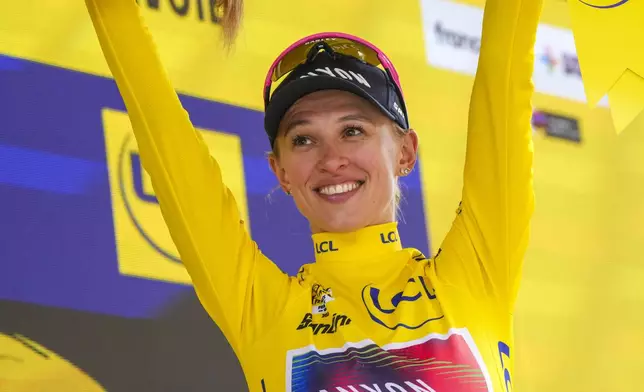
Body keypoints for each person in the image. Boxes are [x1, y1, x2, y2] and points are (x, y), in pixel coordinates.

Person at [85, 0, 541, 390]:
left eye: (353, 130)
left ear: (406, 151)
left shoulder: (476, 273)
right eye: (303, 139)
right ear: (280, 171)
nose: (331, 158)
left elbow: (504, 79)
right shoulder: (261, 310)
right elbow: (164, 138)